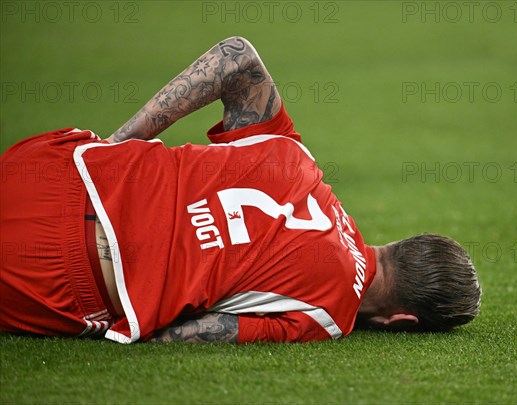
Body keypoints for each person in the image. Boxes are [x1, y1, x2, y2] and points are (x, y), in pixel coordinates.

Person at [0, 37, 481, 344]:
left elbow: (236, 57)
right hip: (57, 272)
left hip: (59, 169)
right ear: (402, 321)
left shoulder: (296, 156)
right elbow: (192, 335)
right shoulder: (324, 317)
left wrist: (116, 146)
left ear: (401, 243)